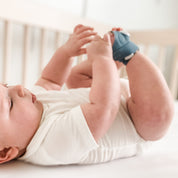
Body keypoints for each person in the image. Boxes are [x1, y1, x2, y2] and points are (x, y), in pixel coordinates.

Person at [0, 24, 174, 165]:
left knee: (74, 78)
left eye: (6, 86)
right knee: (156, 118)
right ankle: (129, 54)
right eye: (10, 103)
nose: (19, 88)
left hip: (106, 92)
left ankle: (111, 64)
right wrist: (101, 59)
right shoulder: (53, 143)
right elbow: (105, 108)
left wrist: (66, 52)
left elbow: (49, 80)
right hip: (136, 123)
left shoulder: (33, 104)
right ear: (6, 151)